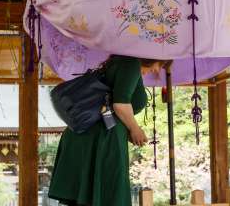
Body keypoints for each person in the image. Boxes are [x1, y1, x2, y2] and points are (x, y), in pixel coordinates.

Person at [48, 55, 166, 206]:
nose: (156, 70)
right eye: (160, 64)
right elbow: (120, 104)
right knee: (107, 195)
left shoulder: (121, 63)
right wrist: (135, 129)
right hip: (101, 136)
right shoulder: (131, 63)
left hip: (93, 134)